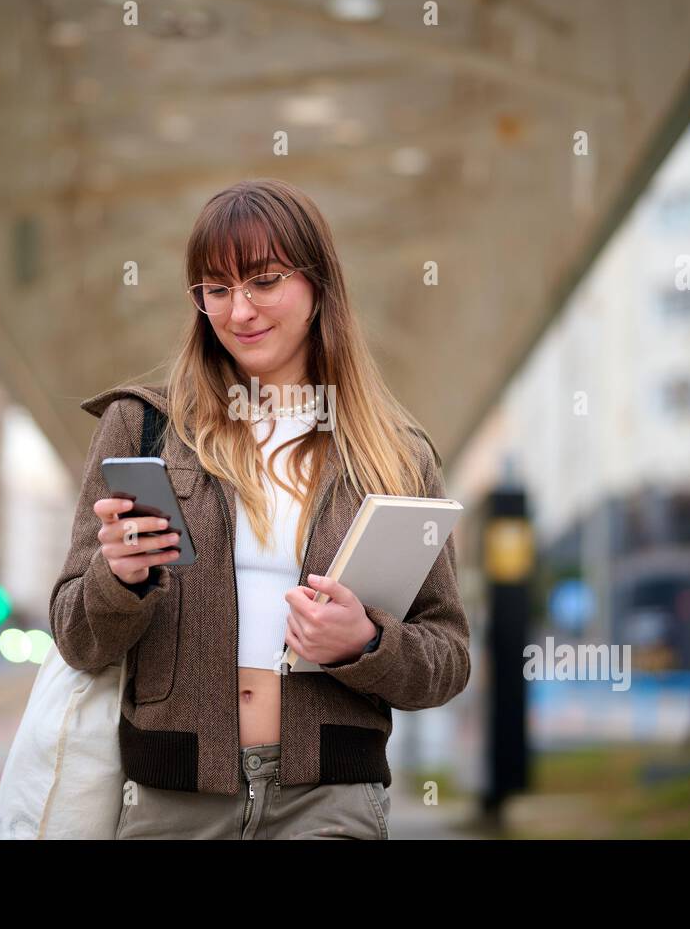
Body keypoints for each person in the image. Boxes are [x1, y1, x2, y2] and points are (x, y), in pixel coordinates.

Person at [50, 178, 470, 839]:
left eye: (264, 281)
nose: (239, 311)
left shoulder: (397, 456)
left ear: (318, 285)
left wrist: (365, 643)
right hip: (173, 803)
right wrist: (119, 579)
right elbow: (76, 635)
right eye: (216, 290)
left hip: (330, 800)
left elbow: (447, 657)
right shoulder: (144, 429)